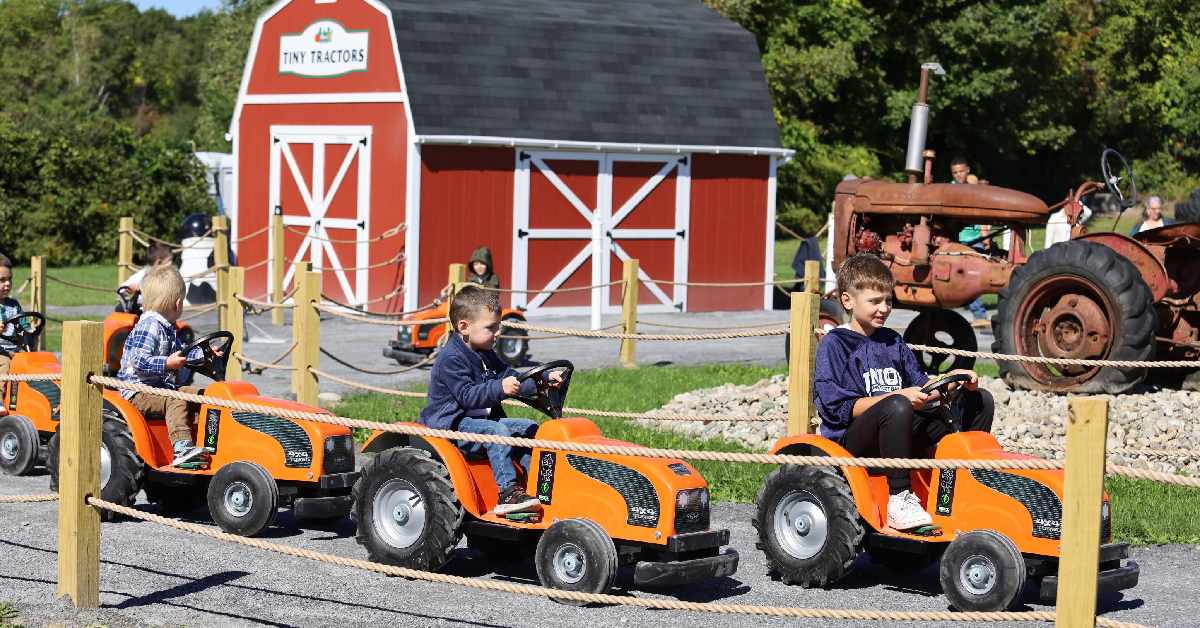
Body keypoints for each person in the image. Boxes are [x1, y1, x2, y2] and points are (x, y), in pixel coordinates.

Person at [814, 253, 994, 531]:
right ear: (847, 300)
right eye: (874, 301)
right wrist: (899, 398)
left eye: (888, 301)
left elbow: (920, 387)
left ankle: (965, 485)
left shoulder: (893, 341)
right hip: (853, 444)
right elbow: (837, 409)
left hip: (899, 428)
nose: (884, 308)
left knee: (980, 401)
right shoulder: (835, 344)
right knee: (898, 405)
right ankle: (899, 499)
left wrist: (950, 383)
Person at [419, 285, 561, 515]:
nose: (497, 333)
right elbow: (467, 396)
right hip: (452, 426)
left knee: (529, 428)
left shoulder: (485, 352)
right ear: (464, 327)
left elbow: (511, 376)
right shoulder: (451, 358)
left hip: (481, 421)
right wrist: (500, 388)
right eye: (491, 327)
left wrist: (543, 379)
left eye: (499, 326)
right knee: (497, 433)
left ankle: (535, 482)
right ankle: (509, 493)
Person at [116, 265, 208, 466]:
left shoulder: (166, 328)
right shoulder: (149, 326)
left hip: (157, 390)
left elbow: (183, 352)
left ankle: (205, 438)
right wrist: (167, 363)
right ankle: (182, 449)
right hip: (136, 393)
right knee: (176, 398)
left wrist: (206, 353)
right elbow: (138, 360)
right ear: (178, 304)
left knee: (201, 395)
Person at [950, 157, 991, 328]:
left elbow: (981, 212)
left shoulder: (974, 188)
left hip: (975, 238)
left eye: (961, 171)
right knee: (967, 276)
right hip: (959, 237)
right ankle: (978, 313)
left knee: (977, 275)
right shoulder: (950, 189)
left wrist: (985, 234)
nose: (959, 175)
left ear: (968, 170)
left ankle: (977, 311)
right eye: (955, 172)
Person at [119, 243, 174, 311]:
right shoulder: (143, 274)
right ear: (158, 262)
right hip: (140, 310)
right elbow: (122, 289)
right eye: (169, 261)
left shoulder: (168, 276)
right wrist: (130, 289)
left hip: (160, 310)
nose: (171, 263)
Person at [0, 253, 22, 377]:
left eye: (9, 279)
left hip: (15, 349)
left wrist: (31, 330)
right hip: (1, 352)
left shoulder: (14, 305)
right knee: (5, 364)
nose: (7, 283)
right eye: (2, 280)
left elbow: (23, 323)